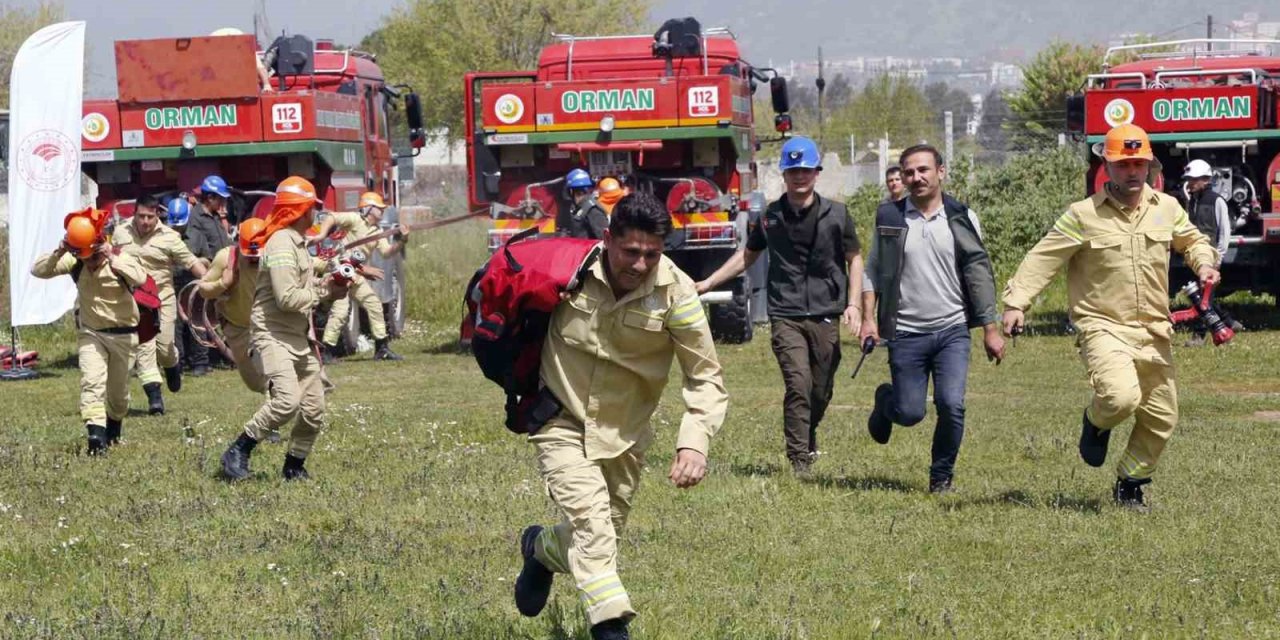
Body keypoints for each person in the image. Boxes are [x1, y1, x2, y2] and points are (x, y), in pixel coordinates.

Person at [513, 192, 728, 640]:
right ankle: (610, 628)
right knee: (594, 527)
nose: (640, 264)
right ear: (608, 239)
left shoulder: (678, 294)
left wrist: (694, 440)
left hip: (624, 435)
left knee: (596, 537)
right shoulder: (567, 271)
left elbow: (705, 376)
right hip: (560, 420)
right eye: (631, 251)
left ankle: (540, 548)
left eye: (652, 253)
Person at [1001, 124, 1220, 510]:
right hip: (1102, 325)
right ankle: (1096, 422)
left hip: (1153, 328)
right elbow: (1043, 257)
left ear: (1151, 165)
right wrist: (1017, 302)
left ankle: (1130, 483)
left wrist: (1204, 264)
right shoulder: (1082, 215)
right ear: (1107, 166)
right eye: (1123, 165)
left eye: (1139, 164)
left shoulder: (1167, 207)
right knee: (1120, 397)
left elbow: (1193, 241)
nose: (1133, 172)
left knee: (1161, 417)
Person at [695, 135, 862, 476]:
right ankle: (800, 460)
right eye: (792, 171)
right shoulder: (770, 217)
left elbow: (854, 259)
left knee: (821, 390)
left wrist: (854, 304)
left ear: (816, 172)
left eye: (805, 170)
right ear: (784, 176)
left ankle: (807, 431)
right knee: (798, 383)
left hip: (826, 311)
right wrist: (710, 282)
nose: (799, 177)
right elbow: (747, 255)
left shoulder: (838, 215)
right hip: (785, 313)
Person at [860, 144, 1003, 494]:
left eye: (923, 170)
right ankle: (886, 401)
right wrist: (867, 318)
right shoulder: (889, 217)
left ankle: (941, 478)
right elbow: (873, 270)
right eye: (909, 172)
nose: (916, 177)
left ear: (941, 171)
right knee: (910, 413)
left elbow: (978, 273)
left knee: (951, 404)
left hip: (952, 330)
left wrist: (990, 327)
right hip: (906, 332)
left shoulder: (961, 216)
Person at [221, 177, 348, 481]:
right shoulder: (280, 242)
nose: (316, 215)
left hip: (297, 337)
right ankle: (239, 449)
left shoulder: (297, 242)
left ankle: (294, 465)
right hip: (273, 335)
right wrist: (326, 293)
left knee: (314, 407)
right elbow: (287, 297)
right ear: (299, 210)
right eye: (312, 209)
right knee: (286, 401)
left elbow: (305, 279)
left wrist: (334, 278)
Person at [31, 209, 148, 454]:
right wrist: (61, 250)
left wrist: (113, 256)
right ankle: (95, 438)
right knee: (92, 383)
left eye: (91, 253)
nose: (88, 259)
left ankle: (114, 427)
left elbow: (140, 277)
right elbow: (38, 270)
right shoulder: (74, 260)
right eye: (81, 254)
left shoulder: (118, 259)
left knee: (119, 395)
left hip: (124, 335)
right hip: (91, 333)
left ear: (100, 243)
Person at [112, 194, 207, 415]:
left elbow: (192, 262)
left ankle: (172, 365)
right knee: (144, 348)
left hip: (162, 299)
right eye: (140, 216)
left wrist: (211, 286)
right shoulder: (120, 233)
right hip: (135, 302)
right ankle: (155, 399)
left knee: (164, 348)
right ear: (134, 214)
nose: (144, 222)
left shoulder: (170, 238)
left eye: (149, 217)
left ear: (158, 216)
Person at [309, 191, 407, 362]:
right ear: (369, 209)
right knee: (340, 311)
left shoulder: (377, 231)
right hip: (339, 270)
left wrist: (402, 241)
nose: (382, 211)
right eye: (379, 208)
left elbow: (386, 253)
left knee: (374, 304)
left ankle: (381, 349)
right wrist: (321, 235)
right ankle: (326, 352)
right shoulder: (354, 219)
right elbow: (331, 217)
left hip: (354, 274)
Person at [197, 218, 269, 394]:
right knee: (254, 383)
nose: (253, 260)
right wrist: (223, 283)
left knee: (272, 377)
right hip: (237, 329)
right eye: (249, 256)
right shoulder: (226, 257)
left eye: (257, 256)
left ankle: (279, 406)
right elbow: (203, 289)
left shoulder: (275, 255)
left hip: (267, 326)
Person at [1180, 159, 1233, 346]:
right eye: (1189, 179)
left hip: (1211, 259)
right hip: (1197, 258)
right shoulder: (1192, 201)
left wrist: (1219, 257)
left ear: (1206, 179)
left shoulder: (1217, 201)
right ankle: (1229, 322)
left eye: (1194, 179)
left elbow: (1224, 232)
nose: (1190, 183)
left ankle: (1199, 336)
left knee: (1204, 302)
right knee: (1204, 298)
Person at [559, 168, 609, 239]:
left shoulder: (592, 210)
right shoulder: (578, 207)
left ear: (571, 191)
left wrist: (593, 250)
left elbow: (605, 241)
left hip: (588, 249)